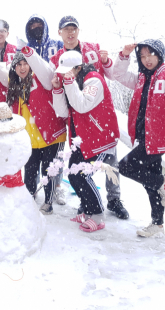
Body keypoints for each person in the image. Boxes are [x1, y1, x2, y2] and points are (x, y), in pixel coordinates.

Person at [49, 15, 129, 220]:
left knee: (110, 162)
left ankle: (114, 199)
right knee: (82, 162)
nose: (70, 32)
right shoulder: (57, 57)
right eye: (66, 29)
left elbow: (111, 74)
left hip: (99, 116)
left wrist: (107, 61)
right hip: (76, 116)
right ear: (59, 33)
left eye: (73, 28)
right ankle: (88, 201)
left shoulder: (92, 49)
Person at [112, 40, 165, 237]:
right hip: (145, 136)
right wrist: (124, 55)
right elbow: (118, 75)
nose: (147, 60)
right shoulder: (141, 77)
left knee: (125, 167)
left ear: (159, 55)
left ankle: (161, 182)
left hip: (159, 137)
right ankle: (157, 224)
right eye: (143, 56)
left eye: (151, 55)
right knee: (149, 182)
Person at [51, 51, 120, 233]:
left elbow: (82, 105)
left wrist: (68, 83)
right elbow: (64, 112)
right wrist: (58, 89)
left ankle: (97, 215)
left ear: (78, 68)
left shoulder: (93, 79)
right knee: (74, 175)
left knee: (82, 175)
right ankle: (88, 210)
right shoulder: (72, 82)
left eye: (68, 71)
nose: (65, 75)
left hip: (100, 138)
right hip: (83, 138)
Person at [6, 48, 67, 215]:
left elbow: (43, 69)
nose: (23, 67)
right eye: (19, 64)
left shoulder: (41, 79)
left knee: (49, 171)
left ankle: (48, 201)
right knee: (30, 170)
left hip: (52, 135)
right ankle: (29, 197)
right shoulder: (14, 86)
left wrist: (30, 54)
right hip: (29, 138)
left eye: (26, 63)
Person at [23, 14, 67, 205]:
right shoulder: (25, 48)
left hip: (57, 100)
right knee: (34, 155)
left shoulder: (57, 45)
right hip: (35, 103)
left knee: (56, 153)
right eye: (32, 25)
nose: (35, 27)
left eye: (39, 24)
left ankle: (57, 187)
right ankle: (31, 190)